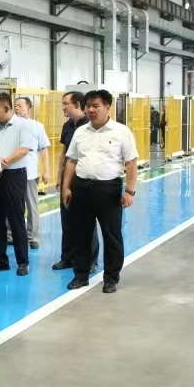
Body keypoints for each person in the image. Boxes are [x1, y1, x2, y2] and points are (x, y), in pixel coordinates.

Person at [62, 89, 138, 294]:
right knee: (81, 234)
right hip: (81, 188)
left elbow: (131, 163)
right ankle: (81, 275)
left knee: (111, 235)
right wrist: (66, 187)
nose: (90, 110)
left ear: (107, 107)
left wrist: (129, 191)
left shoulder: (121, 132)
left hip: (108, 190)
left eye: (95, 106)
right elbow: (72, 161)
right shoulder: (80, 132)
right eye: (88, 106)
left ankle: (111, 278)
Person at [0, 92, 37, 276]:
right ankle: (1, 260)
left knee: (16, 219)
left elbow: (23, 149)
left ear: (7, 108)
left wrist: (4, 161)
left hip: (14, 176)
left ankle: (23, 261)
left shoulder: (24, 125)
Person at [53, 92, 98, 272]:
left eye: (66, 103)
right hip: (68, 179)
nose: (63, 107)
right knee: (67, 219)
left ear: (77, 104)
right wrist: (60, 176)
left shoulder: (90, 125)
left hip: (84, 178)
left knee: (87, 222)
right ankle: (67, 257)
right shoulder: (67, 126)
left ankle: (91, 260)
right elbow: (65, 153)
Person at [13, 97, 51, 249]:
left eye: (20, 106)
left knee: (31, 205)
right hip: (12, 173)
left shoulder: (36, 126)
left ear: (29, 108)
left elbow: (43, 148)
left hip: (30, 173)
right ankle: (11, 234)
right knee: (13, 205)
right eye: (15, 106)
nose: (17, 108)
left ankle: (32, 237)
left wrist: (46, 170)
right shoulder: (10, 125)